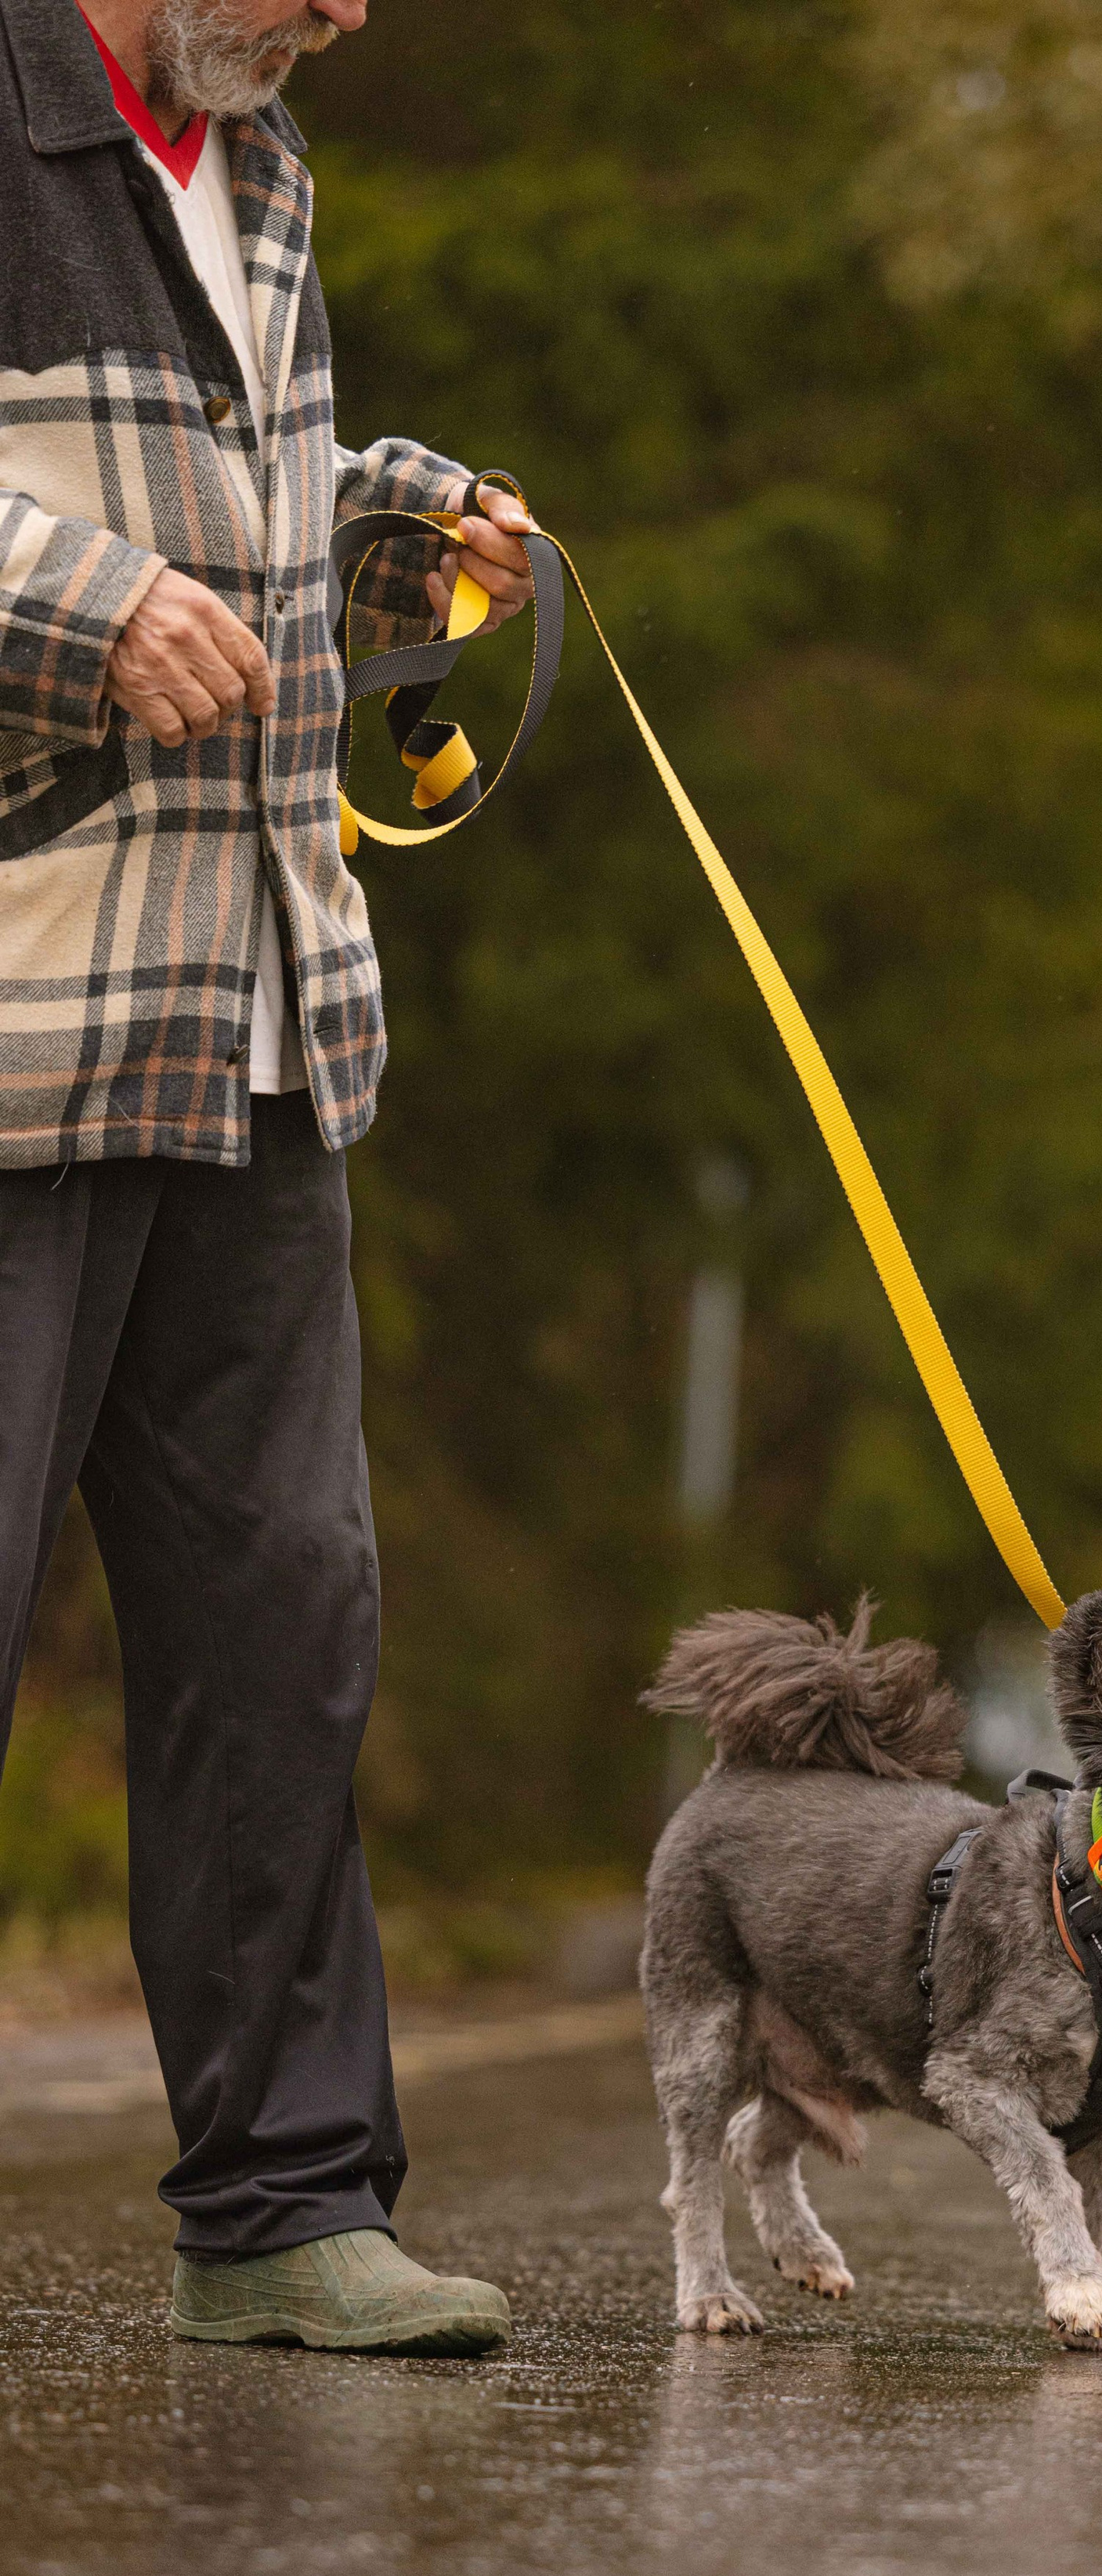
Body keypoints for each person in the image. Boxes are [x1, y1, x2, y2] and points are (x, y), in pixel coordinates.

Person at [0, 0, 534, 2352]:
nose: (344, 13)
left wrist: (394, 523)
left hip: (257, 1023)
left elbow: (229, 509)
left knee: (284, 1626)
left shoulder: (260, 154)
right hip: (22, 1016)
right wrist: (76, 606)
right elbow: (108, 557)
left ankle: (290, 2214)